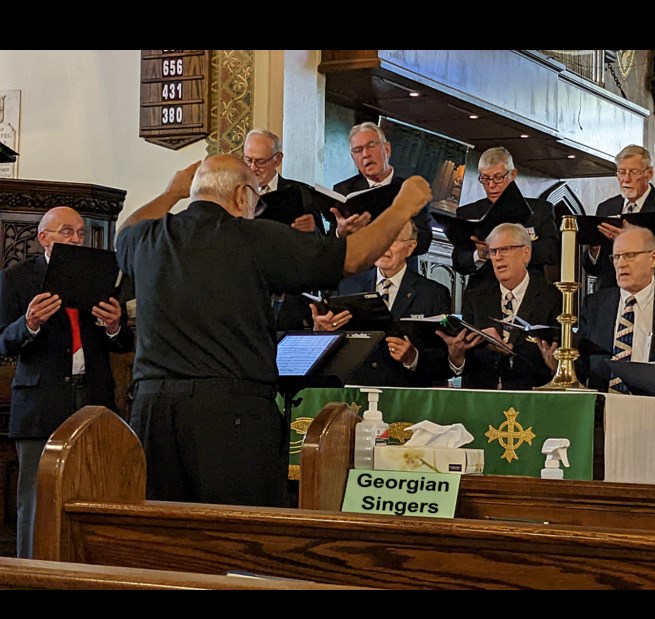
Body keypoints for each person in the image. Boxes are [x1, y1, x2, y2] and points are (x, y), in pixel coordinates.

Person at [115, 155, 431, 509]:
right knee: (238, 534)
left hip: (151, 411)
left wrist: (172, 192)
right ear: (241, 195)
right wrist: (403, 206)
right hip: (228, 414)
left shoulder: (149, 237)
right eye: (255, 200)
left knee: (159, 528)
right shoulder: (252, 238)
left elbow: (125, 229)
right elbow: (352, 258)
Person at [0, 206, 134, 558]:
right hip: (41, 399)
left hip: (92, 396)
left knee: (94, 491)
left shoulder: (100, 275)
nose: (76, 239)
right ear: (44, 237)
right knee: (35, 495)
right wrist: (28, 323)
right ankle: (31, 572)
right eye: (66, 232)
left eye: (79, 232)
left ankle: (87, 569)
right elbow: (3, 341)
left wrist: (114, 326)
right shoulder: (17, 278)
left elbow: (122, 344)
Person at [542, 227, 655, 483]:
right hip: (602, 426)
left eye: (629, 255)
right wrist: (559, 366)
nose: (621, 264)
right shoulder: (596, 304)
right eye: (616, 257)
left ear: (653, 258)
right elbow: (584, 369)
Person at [311, 220, 451, 387]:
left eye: (392, 240)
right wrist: (321, 334)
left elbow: (443, 359)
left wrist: (413, 358)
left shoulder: (433, 294)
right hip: (355, 393)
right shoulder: (348, 286)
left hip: (405, 395)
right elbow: (334, 353)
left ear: (410, 247)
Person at [444, 222, 561, 390]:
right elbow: (465, 362)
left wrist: (512, 350)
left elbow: (555, 361)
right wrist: (456, 356)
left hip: (530, 399)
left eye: (505, 249)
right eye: (493, 251)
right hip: (482, 398)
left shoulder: (551, 298)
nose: (498, 257)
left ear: (525, 254)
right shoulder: (475, 297)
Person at [243, 129, 326, 330]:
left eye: (261, 162)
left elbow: (322, 246)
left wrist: (310, 233)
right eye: (248, 160)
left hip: (288, 302)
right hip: (246, 296)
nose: (253, 168)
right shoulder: (234, 194)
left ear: (277, 159)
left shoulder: (300, 193)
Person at [452, 147, 560, 292]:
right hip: (483, 294)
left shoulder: (540, 210)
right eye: (485, 178)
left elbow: (552, 252)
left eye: (498, 178)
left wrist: (512, 250)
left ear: (513, 174)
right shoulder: (468, 213)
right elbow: (460, 261)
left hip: (530, 295)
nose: (491, 185)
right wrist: (480, 254)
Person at [583, 144, 655, 290]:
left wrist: (629, 239)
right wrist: (594, 249)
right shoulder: (606, 208)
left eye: (633, 172)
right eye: (621, 172)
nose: (626, 179)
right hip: (611, 292)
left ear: (649, 174)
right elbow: (594, 268)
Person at [333, 121, 434, 261]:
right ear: (353, 158)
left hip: (399, 273)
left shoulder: (411, 189)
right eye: (358, 150)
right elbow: (330, 243)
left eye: (371, 146)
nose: (365, 154)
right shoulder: (343, 190)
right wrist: (340, 233)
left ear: (386, 150)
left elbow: (424, 241)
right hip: (358, 276)